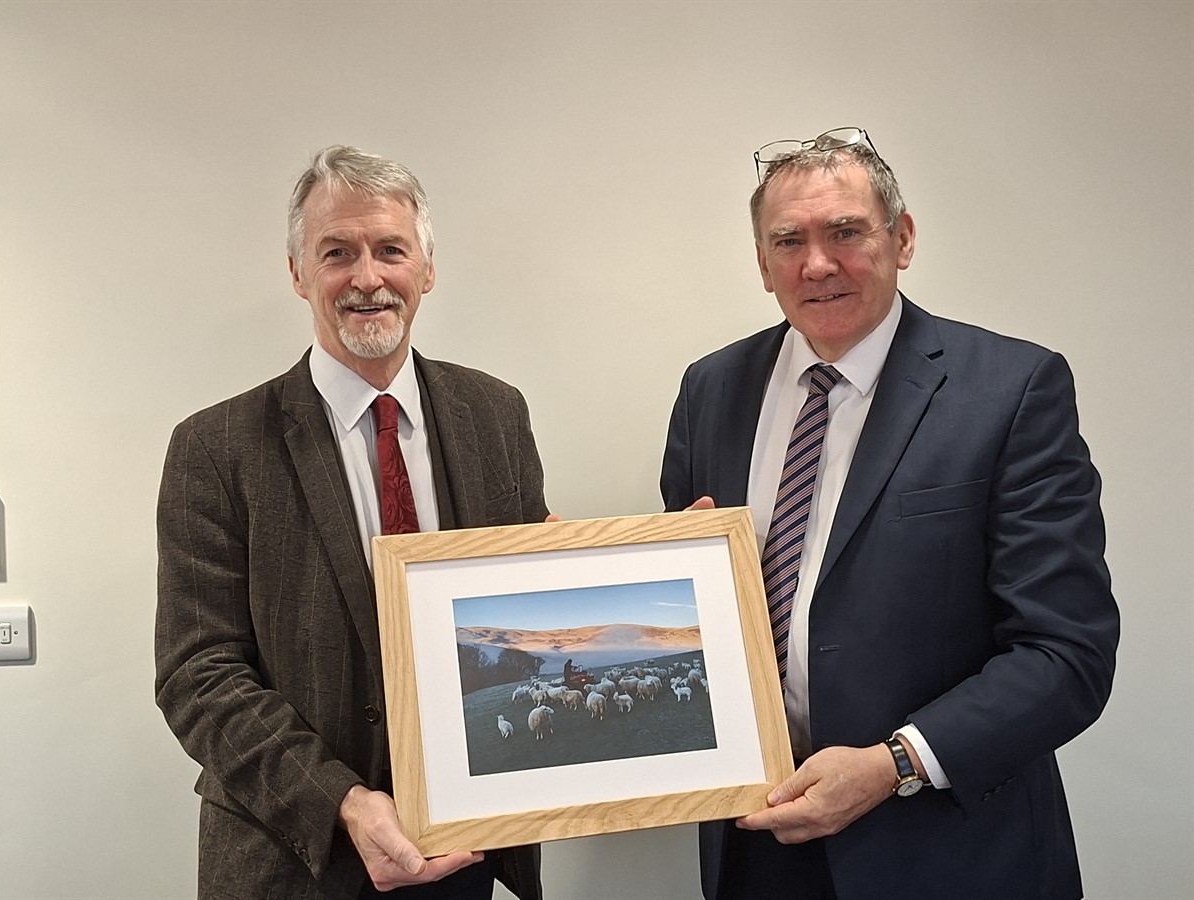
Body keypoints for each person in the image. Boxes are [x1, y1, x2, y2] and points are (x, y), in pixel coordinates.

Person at [660, 128, 1118, 899]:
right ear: (763, 262)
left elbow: (1066, 655)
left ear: (901, 239)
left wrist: (894, 764)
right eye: (789, 240)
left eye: (845, 231)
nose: (817, 263)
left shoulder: (1012, 390)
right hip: (756, 850)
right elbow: (694, 619)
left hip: (945, 850)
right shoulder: (712, 389)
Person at [155, 146, 547, 899]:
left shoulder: (497, 415)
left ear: (426, 270)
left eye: (390, 250)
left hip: (465, 859)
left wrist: (658, 556)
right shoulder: (215, 448)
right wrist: (344, 803)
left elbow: (516, 605)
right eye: (338, 253)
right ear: (299, 273)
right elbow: (197, 673)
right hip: (293, 861)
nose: (367, 277)